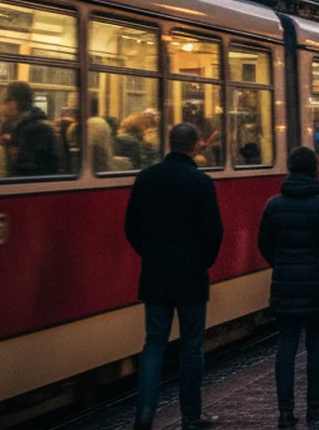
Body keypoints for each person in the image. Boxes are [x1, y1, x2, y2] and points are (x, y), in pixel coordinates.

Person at [124, 123, 224, 430]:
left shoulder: (146, 178)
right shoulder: (201, 182)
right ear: (195, 147)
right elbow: (214, 232)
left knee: (154, 344)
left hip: (155, 274)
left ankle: (144, 414)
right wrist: (202, 262)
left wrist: (150, 254)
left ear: (169, 144)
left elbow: (131, 227)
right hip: (191, 276)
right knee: (191, 347)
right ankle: (191, 416)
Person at [258, 147, 319, 428]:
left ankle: (285, 410)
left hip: (285, 286)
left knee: (286, 347)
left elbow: (264, 245)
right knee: (316, 346)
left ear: (290, 169)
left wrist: (281, 264)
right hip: (318, 285)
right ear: (315, 169)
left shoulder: (274, 204)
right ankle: (314, 407)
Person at [0, 80, 60, 177]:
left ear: (14, 103)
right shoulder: (10, 126)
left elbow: (39, 170)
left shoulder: (40, 131)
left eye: (4, 102)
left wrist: (16, 155)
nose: (1, 107)